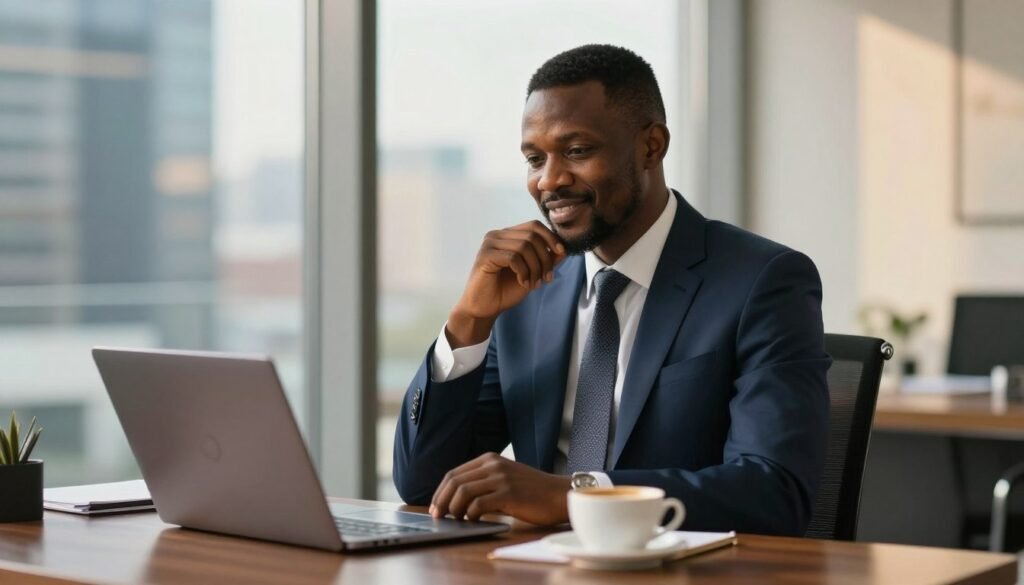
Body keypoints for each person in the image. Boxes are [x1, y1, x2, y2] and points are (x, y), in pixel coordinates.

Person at [392, 44, 830, 536]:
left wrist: (574, 495)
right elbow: (424, 483)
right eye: (535, 158)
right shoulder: (527, 291)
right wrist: (469, 319)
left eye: (577, 151)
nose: (549, 180)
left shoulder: (762, 281)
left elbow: (774, 492)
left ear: (651, 146)